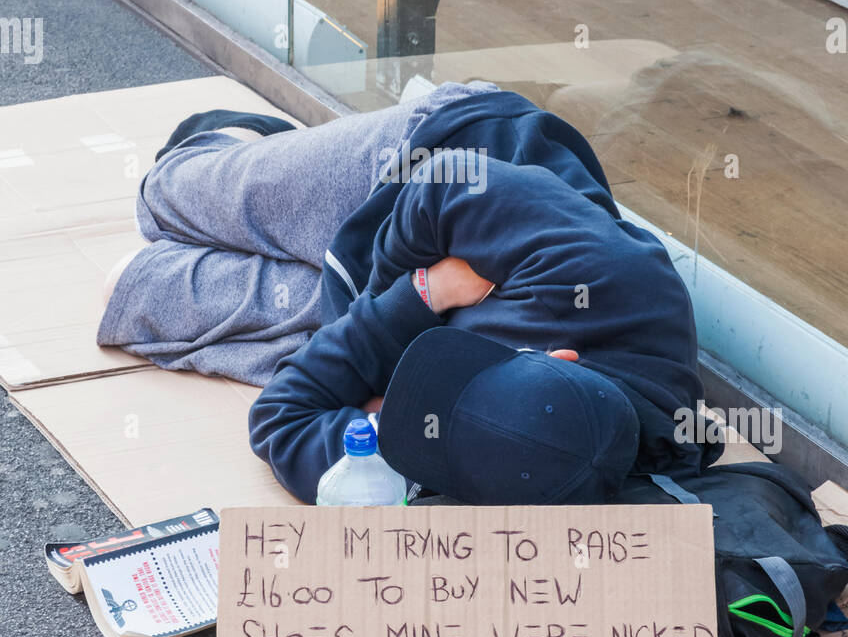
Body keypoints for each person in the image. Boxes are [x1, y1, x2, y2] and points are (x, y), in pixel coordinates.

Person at [98, 81, 713, 505]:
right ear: (557, 359)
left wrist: (403, 318)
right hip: (434, 161)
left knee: (127, 286)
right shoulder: (613, 278)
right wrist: (409, 292)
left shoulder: (506, 468)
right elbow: (443, 189)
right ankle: (247, 140)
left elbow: (283, 420)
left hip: (410, 304)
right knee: (163, 197)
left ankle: (304, 244)